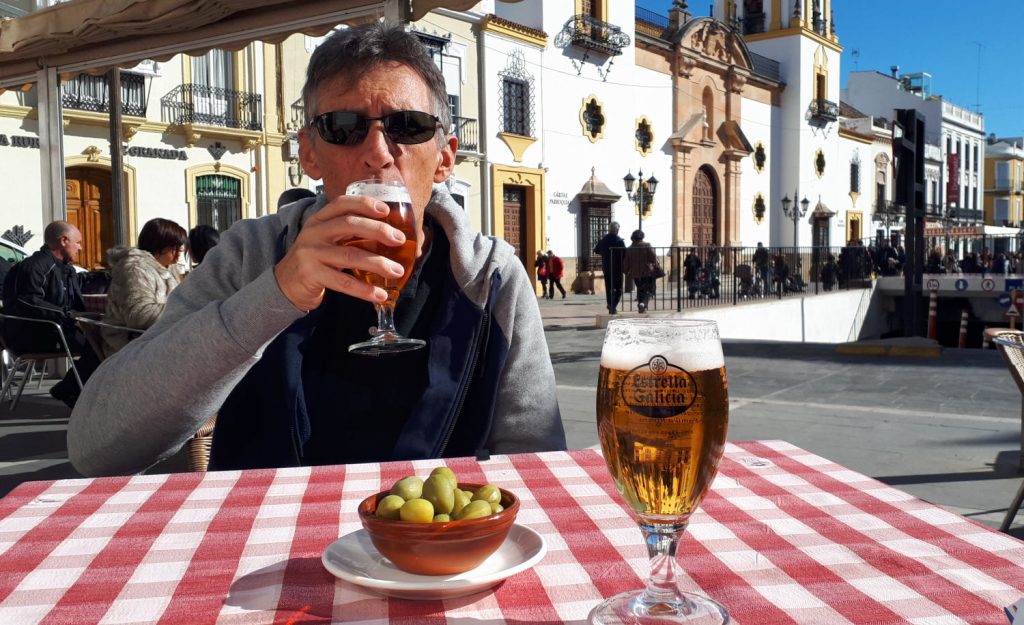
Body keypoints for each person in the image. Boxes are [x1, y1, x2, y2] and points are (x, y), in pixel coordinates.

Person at [68, 22, 565, 476]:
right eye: (343, 128)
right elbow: (95, 447)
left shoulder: (492, 278)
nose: (376, 152)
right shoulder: (252, 254)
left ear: (444, 159)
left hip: (430, 556)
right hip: (265, 550)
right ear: (309, 153)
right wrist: (276, 294)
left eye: (407, 126)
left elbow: (535, 460)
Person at [1, 221, 100, 407]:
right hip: (32, 335)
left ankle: (75, 389)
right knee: (102, 343)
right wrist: (69, 315)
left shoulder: (66, 269)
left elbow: (74, 302)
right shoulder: (34, 267)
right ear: (63, 241)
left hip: (54, 330)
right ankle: (72, 389)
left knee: (104, 337)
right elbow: (28, 302)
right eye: (77, 242)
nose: (80, 247)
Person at [99, 218, 188, 358]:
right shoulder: (135, 269)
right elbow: (140, 315)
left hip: (158, 339)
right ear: (157, 246)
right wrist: (184, 309)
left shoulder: (169, 269)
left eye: (180, 249)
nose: (178, 254)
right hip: (131, 345)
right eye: (173, 249)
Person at [593, 221, 625, 314]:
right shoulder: (619, 241)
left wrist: (605, 253)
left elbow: (596, 250)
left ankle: (610, 304)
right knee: (618, 288)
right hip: (617, 268)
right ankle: (613, 305)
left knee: (609, 288)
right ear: (617, 230)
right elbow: (624, 254)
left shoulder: (603, 240)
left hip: (607, 267)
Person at [623, 230, 658, 313]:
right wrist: (655, 265)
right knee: (649, 289)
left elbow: (626, 262)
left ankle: (641, 306)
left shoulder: (629, 248)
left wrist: (626, 271)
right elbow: (653, 257)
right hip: (647, 271)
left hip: (635, 273)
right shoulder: (647, 245)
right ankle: (643, 304)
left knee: (640, 289)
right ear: (642, 236)